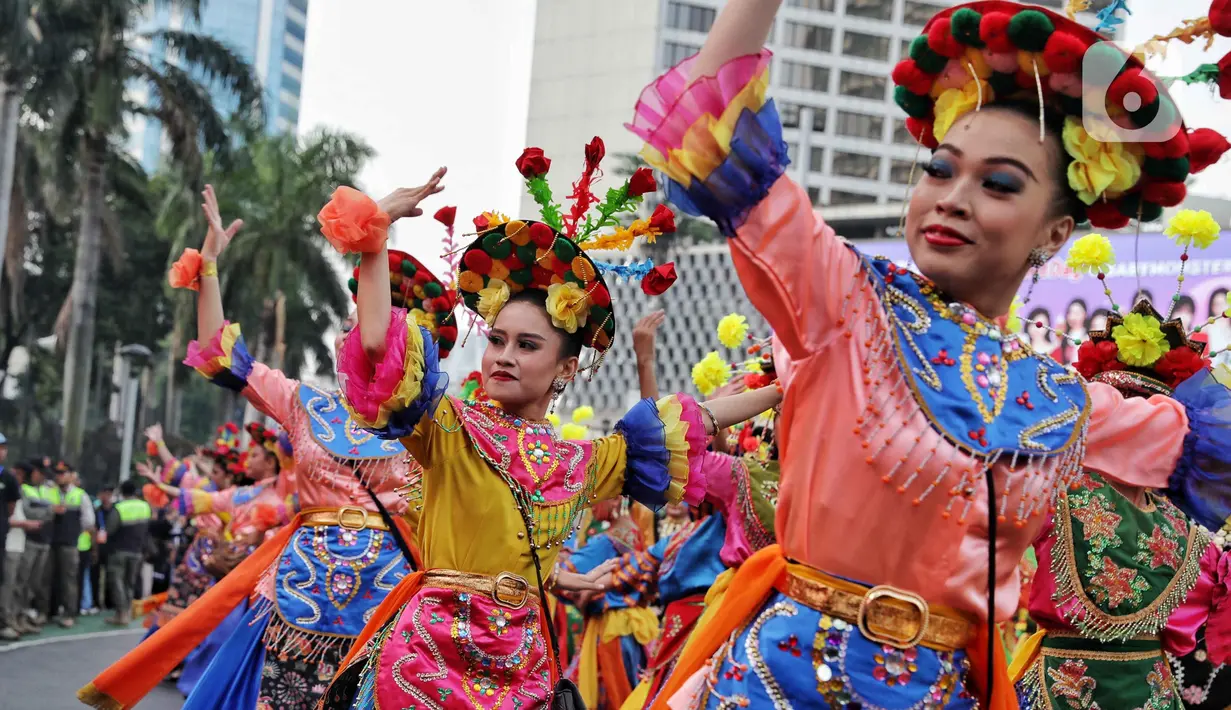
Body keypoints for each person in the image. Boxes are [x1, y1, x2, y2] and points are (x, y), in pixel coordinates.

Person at [624, 0, 1231, 707]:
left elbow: (1208, 443)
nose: (952, 198)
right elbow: (715, 130)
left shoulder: (1063, 403)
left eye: (999, 184)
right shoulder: (848, 305)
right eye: (940, 171)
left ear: (1055, 231)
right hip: (779, 687)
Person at [314, 145, 777, 710]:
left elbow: (694, 420)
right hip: (428, 664)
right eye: (498, 340)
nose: (504, 356)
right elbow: (375, 345)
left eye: (527, 345)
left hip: (525, 670)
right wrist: (375, 235)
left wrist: (784, 387)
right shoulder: (447, 427)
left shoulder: (583, 461)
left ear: (566, 368)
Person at [79, 181, 444, 710]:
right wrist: (207, 269)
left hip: (390, 602)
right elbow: (223, 356)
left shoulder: (431, 423)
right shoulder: (304, 404)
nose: (358, 335)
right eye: (350, 323)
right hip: (300, 593)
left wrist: (375, 230)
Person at [45, 461, 95, 627]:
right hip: (50, 542)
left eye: (63, 473)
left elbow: (88, 522)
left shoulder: (80, 495)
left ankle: (69, 613)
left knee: (69, 580)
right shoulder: (49, 492)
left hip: (69, 544)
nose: (59, 476)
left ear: (72, 475)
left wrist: (73, 532)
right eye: (57, 473)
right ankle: (46, 612)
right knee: (47, 579)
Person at [1, 461, 43, 639]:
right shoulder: (7, 490)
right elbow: (6, 518)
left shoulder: (17, 491)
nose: (20, 478)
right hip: (9, 544)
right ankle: (6, 621)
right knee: (8, 586)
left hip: (19, 544)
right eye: (18, 474)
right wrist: (25, 524)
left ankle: (16, 618)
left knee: (19, 585)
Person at [104, 480, 152, 626]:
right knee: (129, 583)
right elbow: (147, 528)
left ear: (122, 492)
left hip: (120, 551)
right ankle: (128, 611)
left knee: (117, 581)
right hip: (137, 551)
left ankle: (122, 614)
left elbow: (110, 529)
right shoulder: (144, 506)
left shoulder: (120, 508)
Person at [15, 459, 53, 627]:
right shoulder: (24, 489)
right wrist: (47, 511)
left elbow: (52, 512)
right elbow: (27, 512)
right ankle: (16, 616)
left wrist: (46, 512)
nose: (42, 477)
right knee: (21, 580)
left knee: (34, 583)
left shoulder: (47, 490)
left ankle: (24, 615)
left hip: (44, 541)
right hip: (28, 541)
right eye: (40, 473)